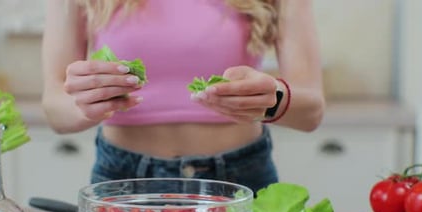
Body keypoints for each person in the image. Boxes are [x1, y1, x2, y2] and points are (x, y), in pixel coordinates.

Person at [41, 0, 324, 194]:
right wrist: (83, 105)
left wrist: (275, 97)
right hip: (124, 181)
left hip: (239, 178)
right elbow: (55, 107)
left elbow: (311, 110)